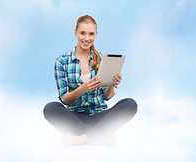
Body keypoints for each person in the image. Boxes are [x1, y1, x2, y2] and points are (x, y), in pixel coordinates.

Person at [43, 15, 137, 146]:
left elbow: (107, 97)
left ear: (96, 35)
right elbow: (65, 99)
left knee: (130, 104)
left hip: (100, 116)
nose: (87, 38)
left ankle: (81, 138)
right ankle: (100, 136)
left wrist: (112, 85)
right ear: (75, 33)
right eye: (82, 33)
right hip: (74, 118)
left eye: (91, 34)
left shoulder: (103, 59)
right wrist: (82, 89)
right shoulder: (62, 62)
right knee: (50, 108)